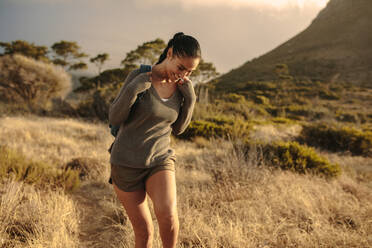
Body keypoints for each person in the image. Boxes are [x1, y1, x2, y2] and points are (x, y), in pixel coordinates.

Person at [108, 32, 201, 248]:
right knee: (144, 233)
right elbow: (114, 117)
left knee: (168, 217)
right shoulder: (139, 76)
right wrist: (134, 88)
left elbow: (178, 129)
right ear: (169, 53)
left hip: (159, 159)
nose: (184, 74)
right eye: (181, 67)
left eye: (190, 71)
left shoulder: (182, 88)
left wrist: (191, 99)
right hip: (125, 163)